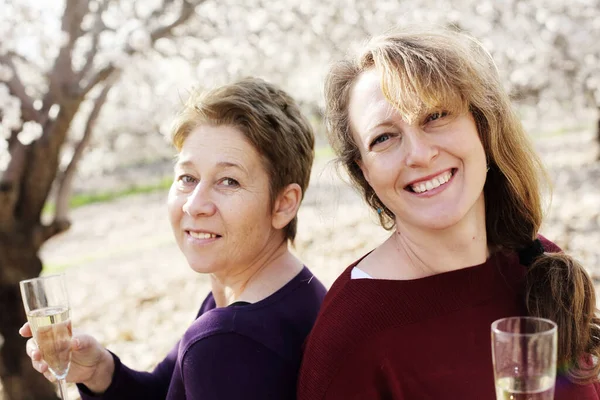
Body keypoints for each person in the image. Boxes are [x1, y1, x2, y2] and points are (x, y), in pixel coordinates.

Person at [297, 27, 600, 399]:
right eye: (384, 137)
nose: (420, 154)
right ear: (365, 173)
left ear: (483, 128)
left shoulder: (543, 268)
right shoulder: (352, 335)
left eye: (435, 116)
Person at [21, 77, 326, 399]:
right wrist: (101, 372)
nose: (195, 204)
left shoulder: (227, 339)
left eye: (228, 181)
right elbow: (165, 391)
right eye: (187, 177)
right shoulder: (269, 295)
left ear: (283, 203)